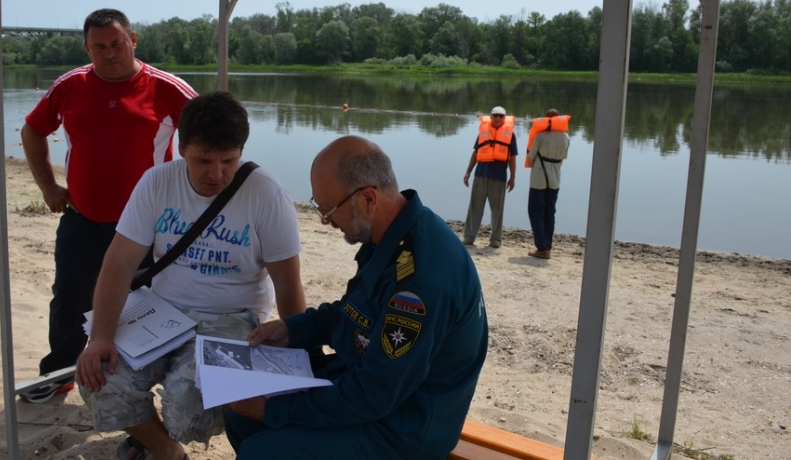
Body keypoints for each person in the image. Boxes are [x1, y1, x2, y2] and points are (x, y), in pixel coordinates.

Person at [225, 135, 488, 460]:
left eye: (329, 210)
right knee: (240, 418)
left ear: (367, 199)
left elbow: (374, 394)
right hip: (369, 386)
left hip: (403, 425)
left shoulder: (421, 281)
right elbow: (355, 312)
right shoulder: (391, 234)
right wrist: (294, 329)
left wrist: (276, 409)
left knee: (263, 452)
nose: (326, 221)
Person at [76, 91, 307, 460]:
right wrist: (101, 337)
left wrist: (301, 353)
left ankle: (157, 437)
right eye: (203, 161)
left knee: (188, 409)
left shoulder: (266, 194)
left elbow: (288, 283)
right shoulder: (156, 182)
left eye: (228, 161)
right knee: (98, 377)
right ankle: (166, 450)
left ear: (241, 151)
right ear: (181, 147)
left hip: (234, 318)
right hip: (162, 311)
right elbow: (118, 264)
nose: (216, 174)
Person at [20, 8, 198, 403]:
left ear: (133, 40)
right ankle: (59, 374)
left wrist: (192, 194)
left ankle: (143, 380)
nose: (109, 53)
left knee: (149, 303)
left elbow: (214, 132)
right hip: (83, 218)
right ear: (87, 48)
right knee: (69, 297)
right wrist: (49, 186)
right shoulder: (71, 85)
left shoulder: (165, 87)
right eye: (98, 47)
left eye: (117, 44)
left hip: (149, 225)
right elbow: (33, 131)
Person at [461, 105, 518, 248]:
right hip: (480, 174)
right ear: (490, 116)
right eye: (495, 115)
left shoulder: (510, 134)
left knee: (497, 210)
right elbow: (475, 154)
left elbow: (512, 158)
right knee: (475, 207)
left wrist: (513, 177)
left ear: (505, 118)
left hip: (499, 177)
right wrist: (468, 172)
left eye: (501, 116)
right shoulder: (483, 132)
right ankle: (469, 237)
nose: (498, 118)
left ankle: (495, 239)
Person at [526, 109, 570, 259]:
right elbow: (563, 159)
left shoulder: (540, 136)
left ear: (546, 120)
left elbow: (531, 158)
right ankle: (547, 246)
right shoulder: (565, 137)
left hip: (538, 179)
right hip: (555, 180)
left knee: (535, 212)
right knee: (549, 213)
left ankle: (542, 248)